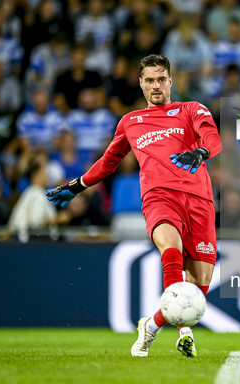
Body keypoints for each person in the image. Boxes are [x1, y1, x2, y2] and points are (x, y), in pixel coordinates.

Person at [46, 55, 221, 358]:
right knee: (171, 249)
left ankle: (150, 327)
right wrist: (77, 186)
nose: (156, 85)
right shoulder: (131, 122)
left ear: (170, 81)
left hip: (200, 201)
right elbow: (108, 161)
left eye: (161, 79)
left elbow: (213, 137)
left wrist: (202, 151)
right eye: (149, 80)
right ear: (141, 83)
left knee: (200, 285)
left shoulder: (190, 109)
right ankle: (185, 331)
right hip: (159, 197)